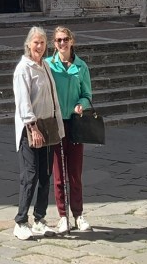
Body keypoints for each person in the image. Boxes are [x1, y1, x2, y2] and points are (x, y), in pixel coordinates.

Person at [13, 26, 64, 240]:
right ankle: (20, 221)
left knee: (45, 174)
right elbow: (23, 101)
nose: (40, 46)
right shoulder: (23, 69)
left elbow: (53, 97)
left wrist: (59, 127)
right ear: (28, 44)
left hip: (48, 126)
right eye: (36, 42)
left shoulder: (45, 66)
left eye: (42, 42)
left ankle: (39, 219)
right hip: (31, 129)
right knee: (30, 175)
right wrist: (32, 127)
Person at [48, 26, 93, 234]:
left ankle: (78, 214)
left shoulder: (81, 66)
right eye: (58, 40)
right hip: (56, 123)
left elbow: (87, 94)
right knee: (58, 173)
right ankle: (62, 216)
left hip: (75, 123)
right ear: (54, 43)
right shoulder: (48, 65)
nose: (62, 43)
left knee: (75, 172)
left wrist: (81, 105)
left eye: (65, 39)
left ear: (72, 41)